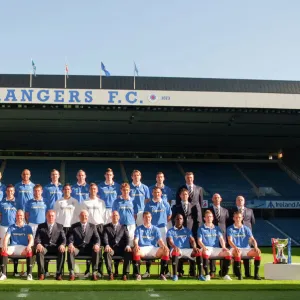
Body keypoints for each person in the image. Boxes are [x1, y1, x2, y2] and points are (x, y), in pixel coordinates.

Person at [171, 188, 201, 276]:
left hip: (191, 231)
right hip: (180, 232)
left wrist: (195, 230)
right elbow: (173, 219)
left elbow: (197, 220)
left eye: (186, 194)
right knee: (180, 248)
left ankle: (192, 271)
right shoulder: (176, 207)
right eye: (183, 194)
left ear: (188, 195)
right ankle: (179, 271)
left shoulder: (194, 206)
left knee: (193, 250)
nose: (184, 196)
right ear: (180, 196)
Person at [143, 187, 172, 278]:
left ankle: (165, 271)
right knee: (150, 248)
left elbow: (169, 215)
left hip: (162, 228)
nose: (157, 194)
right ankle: (147, 271)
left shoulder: (165, 203)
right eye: (155, 192)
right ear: (152, 193)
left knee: (164, 248)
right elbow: (145, 216)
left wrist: (162, 222)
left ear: (161, 193)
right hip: (151, 229)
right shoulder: (149, 204)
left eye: (158, 192)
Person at [132, 211, 170, 281]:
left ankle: (162, 274)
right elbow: (136, 239)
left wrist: (164, 246)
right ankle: (138, 274)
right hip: (143, 248)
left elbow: (160, 241)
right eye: (146, 217)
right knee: (136, 250)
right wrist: (136, 245)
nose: (147, 219)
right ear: (143, 218)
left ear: (151, 218)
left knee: (166, 251)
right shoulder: (139, 228)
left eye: (149, 217)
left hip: (153, 248)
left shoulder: (156, 229)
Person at [80, 183, 106, 278]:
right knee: (89, 248)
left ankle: (99, 270)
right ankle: (87, 271)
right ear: (89, 190)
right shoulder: (84, 202)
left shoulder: (101, 202)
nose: (93, 190)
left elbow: (103, 215)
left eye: (95, 189)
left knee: (99, 249)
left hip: (99, 226)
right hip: (89, 227)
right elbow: (83, 215)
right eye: (91, 189)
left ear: (97, 190)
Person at [167, 214, 203, 281]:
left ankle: (200, 275)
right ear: (174, 220)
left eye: (180, 219)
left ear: (183, 220)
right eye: (177, 219)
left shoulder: (187, 230)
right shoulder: (170, 231)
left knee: (198, 252)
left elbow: (192, 240)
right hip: (176, 249)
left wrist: (195, 247)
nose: (179, 220)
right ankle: (175, 275)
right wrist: (174, 247)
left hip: (187, 250)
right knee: (175, 251)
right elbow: (170, 241)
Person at [197, 210, 232, 281]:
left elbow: (221, 239)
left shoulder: (217, 228)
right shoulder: (201, 228)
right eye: (207, 217)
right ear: (204, 218)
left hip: (216, 248)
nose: (209, 218)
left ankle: (225, 274)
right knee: (205, 252)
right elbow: (199, 241)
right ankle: (207, 274)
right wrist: (203, 247)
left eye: (210, 217)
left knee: (228, 253)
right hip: (206, 248)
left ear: (212, 218)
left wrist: (224, 247)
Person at [67, 209, 100, 281]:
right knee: (70, 250)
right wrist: (70, 244)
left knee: (97, 250)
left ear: (88, 217)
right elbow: (70, 237)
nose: (84, 217)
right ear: (79, 217)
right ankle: (72, 272)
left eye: (85, 216)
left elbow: (97, 238)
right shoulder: (74, 226)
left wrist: (97, 244)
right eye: (82, 215)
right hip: (78, 249)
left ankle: (94, 272)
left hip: (90, 249)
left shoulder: (93, 226)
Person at [0, 210, 33, 281]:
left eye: (21, 215)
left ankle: (29, 274)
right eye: (18, 215)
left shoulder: (27, 227)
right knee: (3, 250)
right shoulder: (11, 227)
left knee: (29, 250)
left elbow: (31, 238)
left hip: (23, 248)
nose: (19, 217)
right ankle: (3, 274)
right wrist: (5, 245)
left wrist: (29, 245)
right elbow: (6, 237)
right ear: (15, 216)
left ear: (23, 216)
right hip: (13, 247)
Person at [227, 211, 261, 280]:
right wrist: (235, 247)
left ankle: (256, 275)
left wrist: (256, 247)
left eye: (239, 217)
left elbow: (252, 239)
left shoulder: (246, 228)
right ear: (233, 218)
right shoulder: (230, 228)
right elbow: (229, 241)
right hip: (234, 248)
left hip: (246, 249)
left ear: (242, 218)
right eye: (236, 217)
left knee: (258, 252)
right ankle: (239, 275)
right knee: (237, 252)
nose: (238, 219)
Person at [14, 170, 35, 277]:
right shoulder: (17, 186)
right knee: (17, 241)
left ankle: (30, 269)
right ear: (21, 175)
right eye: (24, 174)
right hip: (19, 217)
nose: (26, 176)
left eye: (27, 174)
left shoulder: (33, 186)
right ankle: (15, 270)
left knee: (31, 243)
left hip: (29, 219)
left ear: (30, 175)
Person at [34, 210, 66, 280]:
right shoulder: (41, 226)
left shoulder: (60, 226)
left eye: (52, 216)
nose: (51, 217)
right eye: (49, 216)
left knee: (62, 251)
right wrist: (39, 244)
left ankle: (58, 274)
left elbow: (63, 238)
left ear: (55, 217)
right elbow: (37, 238)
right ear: (46, 216)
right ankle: (42, 273)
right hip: (44, 248)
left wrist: (62, 245)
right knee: (39, 251)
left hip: (56, 248)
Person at [112, 183, 136, 274]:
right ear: (121, 190)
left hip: (131, 226)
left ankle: (132, 270)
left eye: (127, 190)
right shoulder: (116, 201)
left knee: (131, 246)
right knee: (118, 245)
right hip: (120, 226)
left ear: (129, 190)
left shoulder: (133, 201)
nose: (125, 191)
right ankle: (116, 270)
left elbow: (135, 214)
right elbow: (114, 213)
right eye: (123, 190)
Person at [229, 195, 255, 278]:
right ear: (236, 202)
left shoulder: (250, 211)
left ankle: (247, 273)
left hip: (246, 235)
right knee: (236, 253)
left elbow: (252, 222)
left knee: (247, 254)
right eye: (238, 200)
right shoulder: (231, 210)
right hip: (235, 233)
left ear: (244, 201)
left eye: (242, 200)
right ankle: (237, 272)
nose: (240, 201)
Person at [103, 210, 132, 281]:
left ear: (119, 217)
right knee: (106, 253)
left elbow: (127, 237)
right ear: (111, 217)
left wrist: (128, 245)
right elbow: (105, 237)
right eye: (113, 215)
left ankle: (125, 274)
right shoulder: (106, 227)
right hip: (111, 249)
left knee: (128, 253)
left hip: (122, 249)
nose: (115, 217)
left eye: (116, 215)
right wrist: (106, 245)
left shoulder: (123, 227)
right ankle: (110, 274)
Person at [207, 193, 229, 278]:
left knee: (223, 252)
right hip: (212, 234)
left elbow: (227, 223)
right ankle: (212, 271)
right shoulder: (208, 210)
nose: (216, 199)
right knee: (212, 252)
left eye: (218, 198)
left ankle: (223, 272)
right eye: (215, 198)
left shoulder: (225, 211)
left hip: (222, 235)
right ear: (212, 199)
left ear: (221, 199)